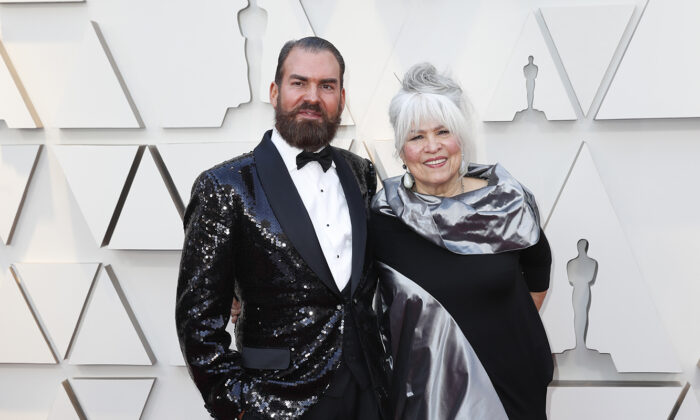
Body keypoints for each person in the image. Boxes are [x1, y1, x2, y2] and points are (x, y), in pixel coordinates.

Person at [176, 37, 391, 420]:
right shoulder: (225, 186)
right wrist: (238, 406)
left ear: (342, 98)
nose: (313, 96)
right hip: (276, 401)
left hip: (369, 393)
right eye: (299, 83)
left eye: (327, 86)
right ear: (275, 92)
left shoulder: (361, 172)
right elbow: (197, 320)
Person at [370, 63, 553, 419]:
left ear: (461, 137)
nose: (432, 147)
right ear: (400, 149)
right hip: (426, 400)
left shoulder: (508, 203)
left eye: (443, 131)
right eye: (416, 136)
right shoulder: (381, 217)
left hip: (512, 391)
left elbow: (538, 271)